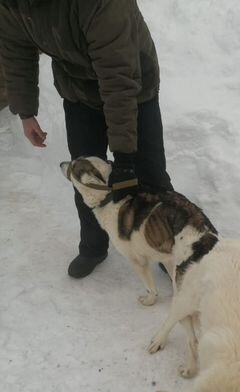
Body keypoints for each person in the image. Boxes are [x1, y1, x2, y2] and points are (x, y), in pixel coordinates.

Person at [0, 0, 173, 278]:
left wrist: (125, 158)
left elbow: (118, 80)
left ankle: (168, 246)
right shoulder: (13, 5)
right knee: (84, 175)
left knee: (149, 173)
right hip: (78, 87)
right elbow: (16, 51)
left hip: (132, 84)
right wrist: (26, 112)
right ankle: (93, 246)